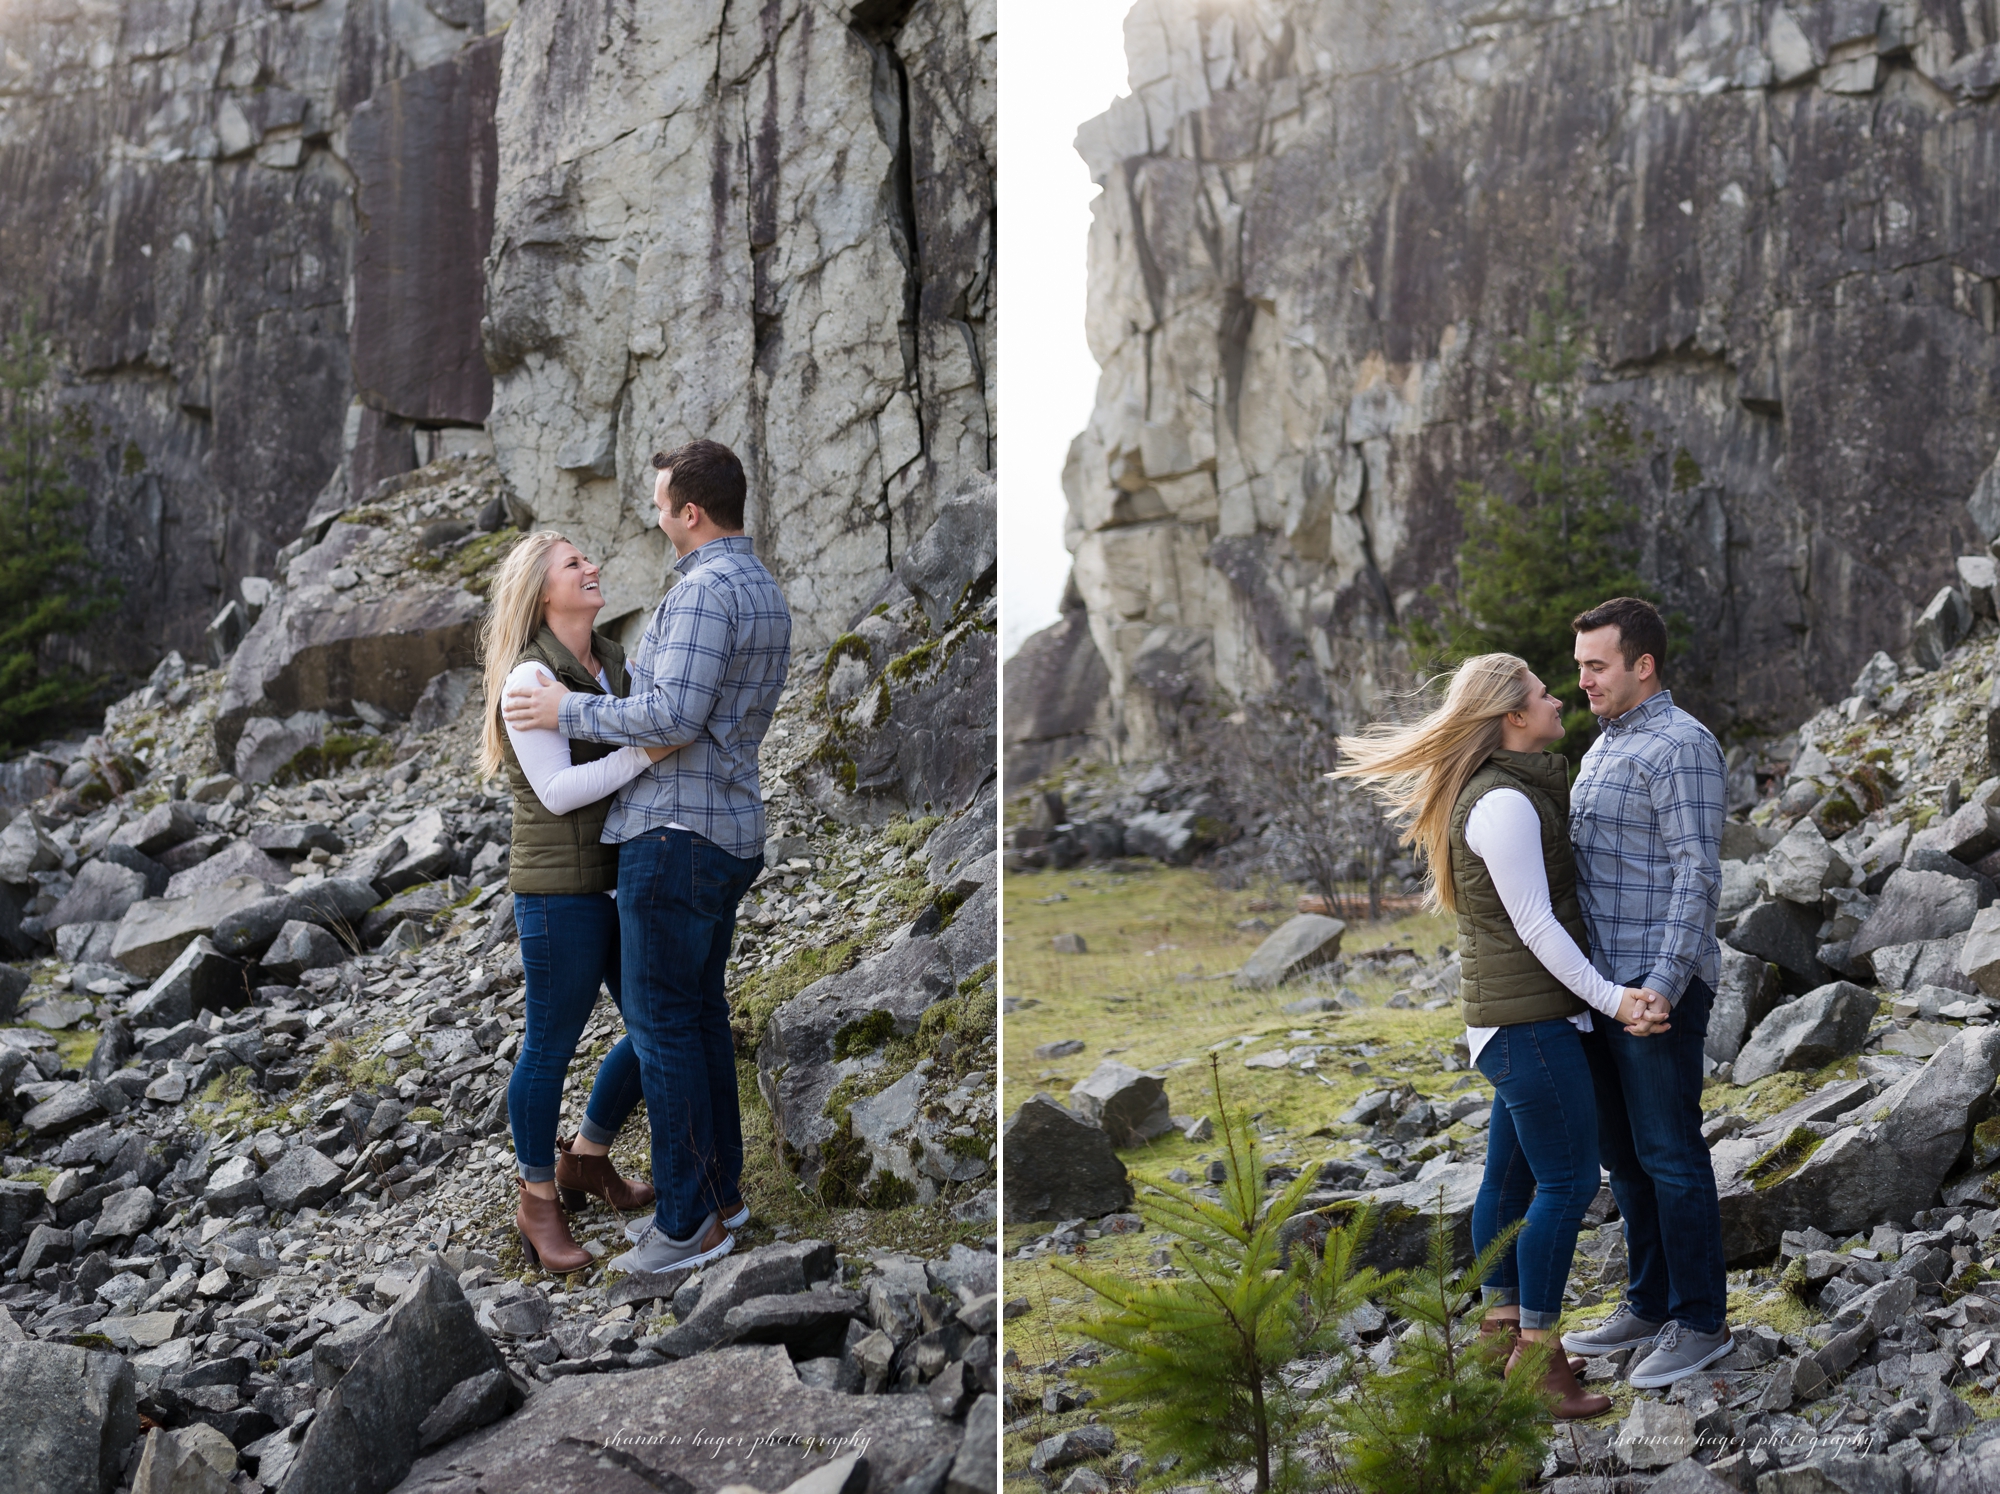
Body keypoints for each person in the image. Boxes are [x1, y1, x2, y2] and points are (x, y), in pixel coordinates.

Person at [1336, 653, 1666, 1419]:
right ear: (1513, 716)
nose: (1558, 700)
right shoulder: (1504, 804)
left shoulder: (1502, 792)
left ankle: (1498, 1336)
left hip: (1514, 1022)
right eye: (1543, 693)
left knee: (1510, 1183)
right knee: (1569, 1185)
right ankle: (1539, 1364)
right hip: (1530, 1025)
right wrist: (1615, 1000)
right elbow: (1539, 928)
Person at [503, 438, 792, 1274]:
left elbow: (672, 719)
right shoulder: (761, 587)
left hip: (676, 835)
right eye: (573, 561)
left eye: (661, 502)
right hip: (705, 833)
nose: (653, 515)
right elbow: (581, 776)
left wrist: (568, 712)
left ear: (689, 512)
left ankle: (687, 1223)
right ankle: (714, 1197)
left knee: (666, 1029)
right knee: (691, 1020)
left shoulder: (700, 593)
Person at [478, 530, 671, 1273]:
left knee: (659, 1027)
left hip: (624, 877)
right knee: (549, 1047)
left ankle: (586, 1155)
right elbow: (558, 793)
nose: (592, 567)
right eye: (573, 563)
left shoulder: (615, 662)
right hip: (559, 894)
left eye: (589, 558)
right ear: (541, 593)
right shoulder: (529, 680)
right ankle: (537, 1202)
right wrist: (645, 752)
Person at [1558, 597, 1733, 1387]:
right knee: (1624, 1159)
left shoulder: (1681, 745)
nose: (1583, 680)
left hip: (1657, 989)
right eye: (1580, 665)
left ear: (1643, 665)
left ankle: (1701, 1321)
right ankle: (1649, 1302)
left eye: (1597, 665)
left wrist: (1661, 986)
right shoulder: (1604, 745)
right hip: (1605, 991)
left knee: (1670, 1153)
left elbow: (1698, 875)